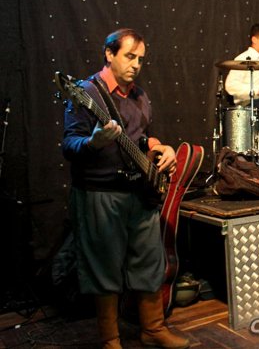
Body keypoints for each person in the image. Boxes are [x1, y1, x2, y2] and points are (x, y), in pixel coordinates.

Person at [62, 29, 190, 349]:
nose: (136, 65)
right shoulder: (86, 93)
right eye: (129, 56)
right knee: (104, 268)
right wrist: (93, 142)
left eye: (141, 59)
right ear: (109, 54)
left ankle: (153, 329)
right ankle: (111, 340)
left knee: (149, 262)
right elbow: (69, 145)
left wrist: (161, 148)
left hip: (140, 192)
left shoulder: (139, 95)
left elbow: (143, 137)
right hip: (100, 193)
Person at [224, 23, 259, 156]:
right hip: (249, 105)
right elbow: (230, 86)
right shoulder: (243, 59)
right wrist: (257, 91)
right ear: (254, 39)